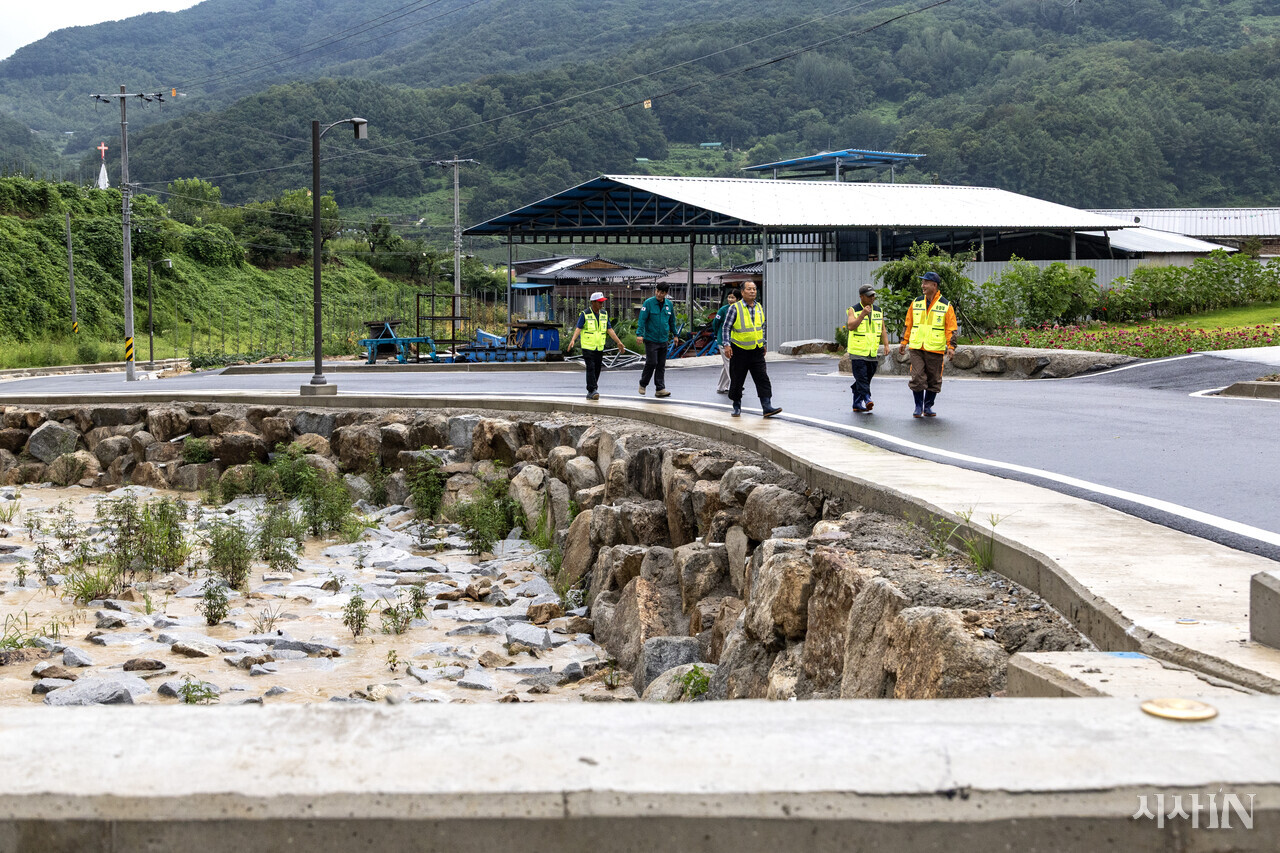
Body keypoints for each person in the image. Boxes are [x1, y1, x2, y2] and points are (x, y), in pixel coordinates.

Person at [897, 271, 958, 418]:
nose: (922, 285)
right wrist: (903, 341)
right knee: (917, 376)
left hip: (935, 348)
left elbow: (951, 328)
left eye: (925, 283)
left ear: (934, 285)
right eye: (922, 282)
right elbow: (908, 324)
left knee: (934, 379)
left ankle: (928, 406)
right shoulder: (916, 302)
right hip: (917, 347)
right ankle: (918, 406)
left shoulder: (946, 305)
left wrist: (951, 347)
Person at [719, 281, 781, 418]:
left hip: (756, 350)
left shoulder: (759, 307)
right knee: (737, 379)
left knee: (762, 378)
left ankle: (767, 406)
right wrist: (727, 345)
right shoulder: (735, 308)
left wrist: (763, 343)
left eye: (754, 289)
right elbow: (726, 327)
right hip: (739, 350)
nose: (753, 291)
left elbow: (761, 327)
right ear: (742, 292)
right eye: (749, 289)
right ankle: (736, 406)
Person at [566, 291, 626, 401]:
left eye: (602, 302)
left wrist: (618, 342)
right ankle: (592, 389)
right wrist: (573, 340)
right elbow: (578, 328)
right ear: (593, 302)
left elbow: (609, 329)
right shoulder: (585, 314)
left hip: (599, 346)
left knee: (598, 369)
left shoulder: (604, 314)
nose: (601, 305)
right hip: (588, 346)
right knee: (591, 367)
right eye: (599, 302)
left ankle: (592, 390)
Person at [846, 284, 888, 414]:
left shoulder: (878, 310)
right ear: (862, 297)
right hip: (858, 351)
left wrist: (886, 345)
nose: (872, 298)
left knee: (867, 377)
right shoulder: (853, 309)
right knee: (862, 378)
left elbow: (882, 329)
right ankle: (867, 398)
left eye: (873, 295)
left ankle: (856, 402)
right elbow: (851, 326)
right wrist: (862, 315)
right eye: (869, 296)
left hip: (872, 351)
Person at [636, 283, 679, 397]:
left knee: (661, 365)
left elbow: (672, 321)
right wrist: (639, 334)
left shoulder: (669, 304)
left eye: (662, 292)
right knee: (652, 362)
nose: (659, 294)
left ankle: (660, 388)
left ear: (666, 293)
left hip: (663, 339)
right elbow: (642, 319)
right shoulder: (648, 303)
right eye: (657, 291)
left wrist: (675, 334)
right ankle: (643, 384)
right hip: (651, 339)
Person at [712, 289, 740, 394]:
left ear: (738, 299)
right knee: (730, 363)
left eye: (733, 297)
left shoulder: (740, 310)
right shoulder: (723, 310)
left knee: (726, 364)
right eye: (729, 297)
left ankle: (721, 386)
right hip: (723, 340)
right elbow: (716, 323)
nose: (730, 299)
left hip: (734, 341)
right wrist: (717, 335)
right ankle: (735, 384)